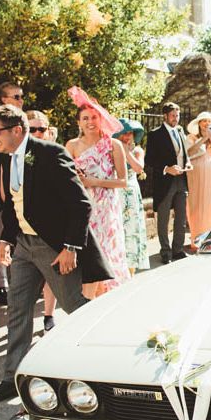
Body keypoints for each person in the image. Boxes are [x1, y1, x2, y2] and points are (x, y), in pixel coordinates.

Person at [0, 105, 112, 402]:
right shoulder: (5, 157)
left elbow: (81, 204)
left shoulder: (50, 154)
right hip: (24, 246)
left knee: (75, 308)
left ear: (16, 130)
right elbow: (15, 202)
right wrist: (6, 239)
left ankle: (102, 370)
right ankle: (11, 379)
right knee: (17, 310)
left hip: (54, 247)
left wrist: (71, 247)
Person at [65, 88, 129, 297]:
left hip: (107, 208)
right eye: (85, 118)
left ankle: (109, 296)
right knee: (88, 254)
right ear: (79, 122)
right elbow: (67, 179)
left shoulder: (113, 145)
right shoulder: (72, 145)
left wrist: (95, 181)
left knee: (107, 252)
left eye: (94, 117)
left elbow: (123, 182)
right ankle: (87, 299)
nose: (90, 121)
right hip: (83, 208)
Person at [145, 102, 192, 264]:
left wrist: (188, 163)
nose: (176, 118)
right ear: (165, 116)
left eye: (177, 115)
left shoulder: (180, 131)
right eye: (173, 115)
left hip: (181, 180)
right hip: (164, 182)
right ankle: (165, 251)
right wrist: (166, 168)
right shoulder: (155, 134)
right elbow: (149, 160)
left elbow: (184, 154)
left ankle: (177, 250)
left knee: (181, 218)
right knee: (164, 218)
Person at [0, 82, 22, 306]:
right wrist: (6, 198)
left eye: (21, 96)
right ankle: (3, 286)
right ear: (4, 99)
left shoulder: (23, 124)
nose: (20, 100)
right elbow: (2, 165)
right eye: (15, 96)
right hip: (1, 197)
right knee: (0, 242)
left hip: (19, 195)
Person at [27, 110, 57, 330]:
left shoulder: (56, 153)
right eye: (32, 129)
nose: (37, 133)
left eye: (42, 129)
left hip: (50, 222)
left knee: (50, 275)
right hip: (25, 226)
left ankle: (48, 314)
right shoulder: (15, 153)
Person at [113, 118, 150, 274]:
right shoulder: (112, 149)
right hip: (115, 193)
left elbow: (138, 167)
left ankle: (131, 269)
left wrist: (126, 151)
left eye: (130, 133)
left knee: (131, 230)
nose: (127, 136)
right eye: (124, 133)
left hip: (131, 194)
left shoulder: (137, 150)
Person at [185, 111, 211, 247]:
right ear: (199, 124)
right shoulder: (191, 138)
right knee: (196, 204)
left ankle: (210, 238)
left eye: (208, 121)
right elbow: (189, 152)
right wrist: (203, 139)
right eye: (204, 121)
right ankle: (196, 239)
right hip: (195, 176)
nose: (206, 123)